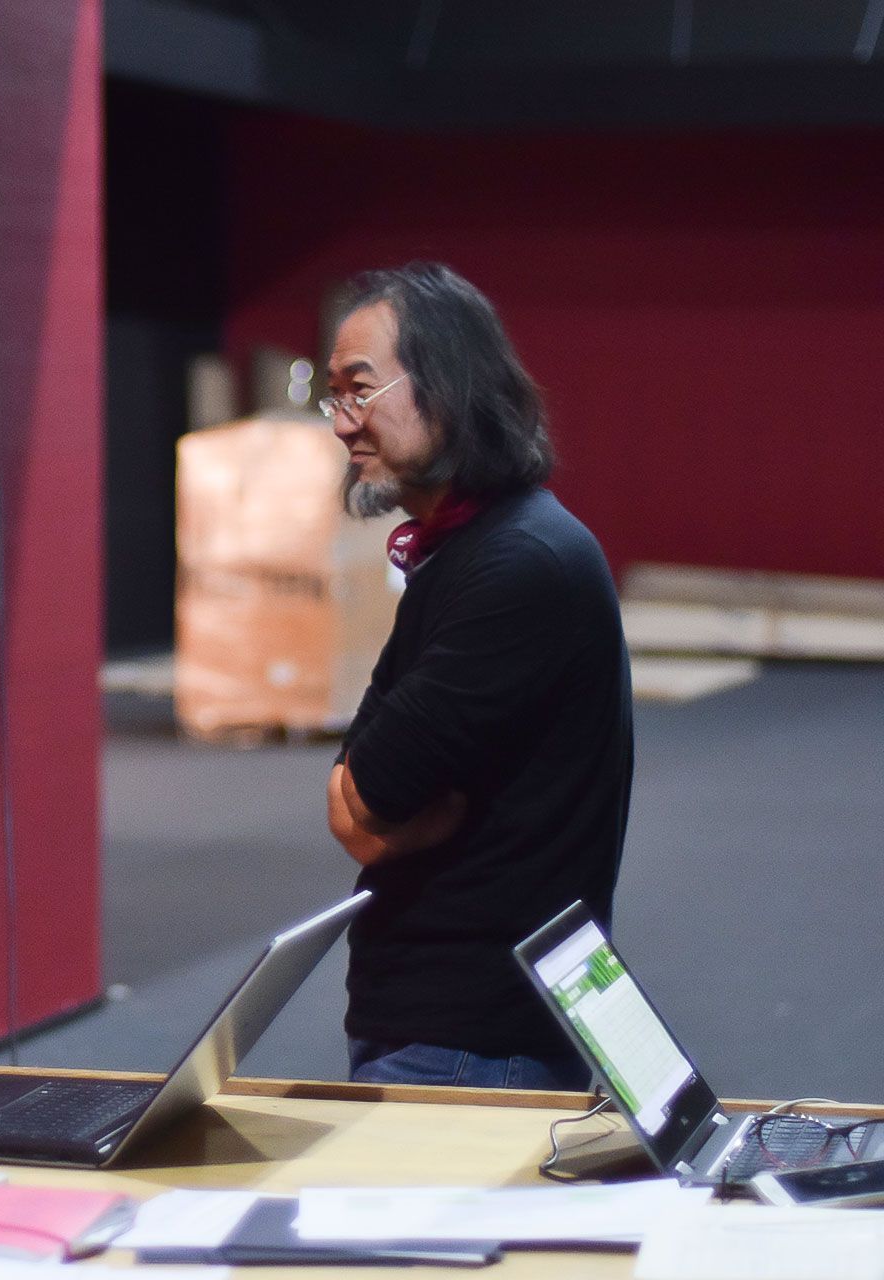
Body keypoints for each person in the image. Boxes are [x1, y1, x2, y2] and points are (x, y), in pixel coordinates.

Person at [321, 262, 632, 1091]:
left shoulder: (517, 565)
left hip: (472, 1044)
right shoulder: (466, 551)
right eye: (334, 397)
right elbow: (355, 809)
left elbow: (368, 797)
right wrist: (375, 805)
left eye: (361, 390)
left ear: (449, 385)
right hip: (455, 1030)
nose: (344, 424)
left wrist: (373, 805)